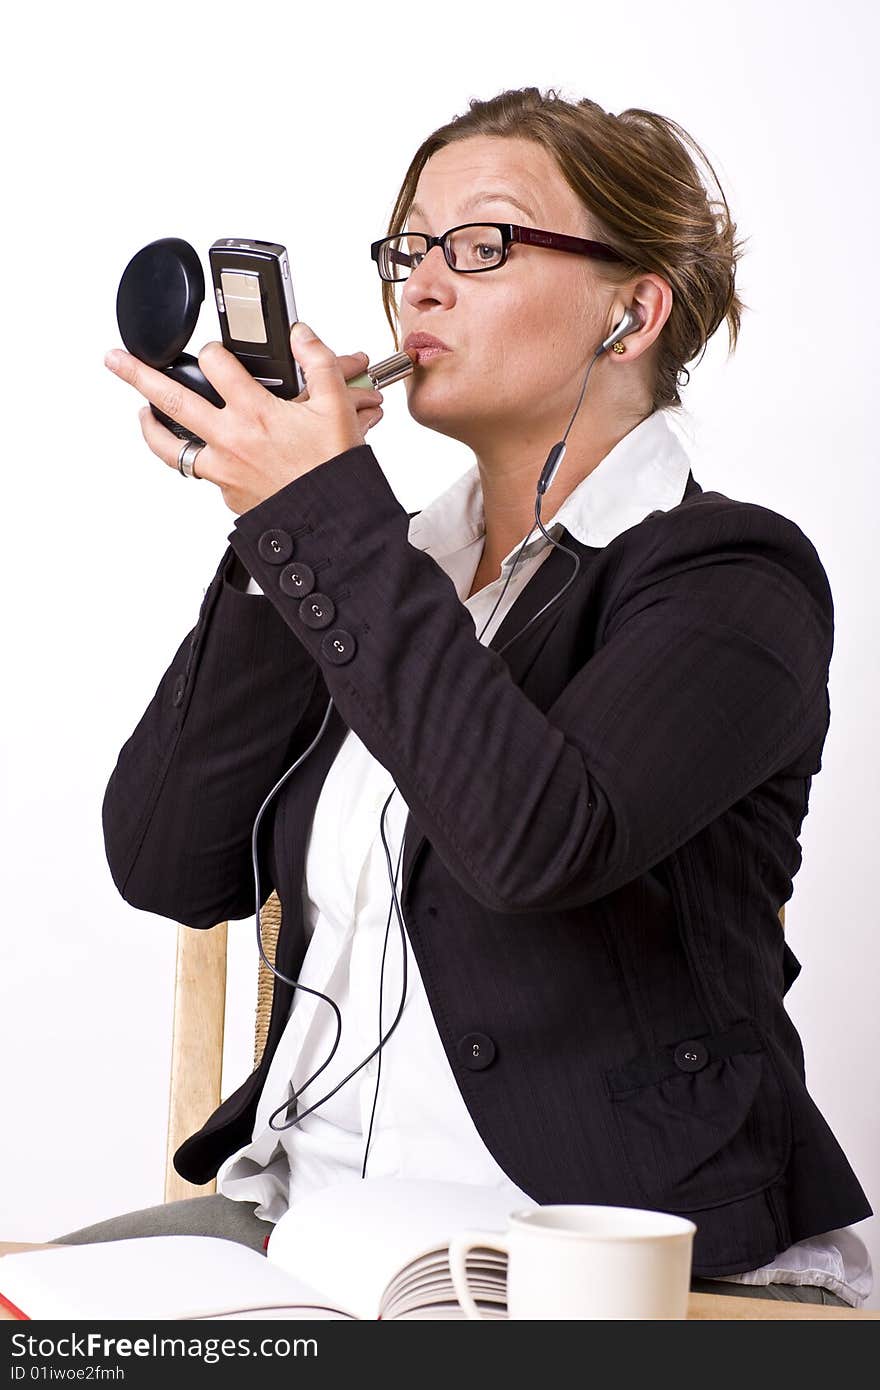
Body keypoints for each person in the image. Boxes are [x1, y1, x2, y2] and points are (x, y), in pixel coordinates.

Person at [56, 86, 872, 1309]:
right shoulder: (374, 568)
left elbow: (535, 843)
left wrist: (316, 516)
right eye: (408, 248)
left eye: (482, 245)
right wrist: (280, 528)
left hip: (603, 1256)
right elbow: (170, 861)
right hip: (310, 1228)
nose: (421, 284)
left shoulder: (730, 577)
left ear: (632, 309)